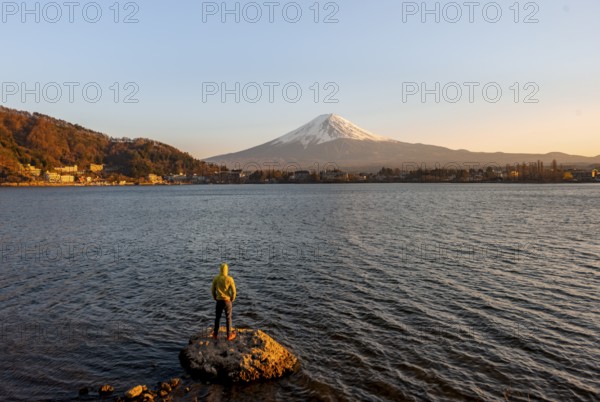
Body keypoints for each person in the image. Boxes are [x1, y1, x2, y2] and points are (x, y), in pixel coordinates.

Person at [211, 262, 237, 341]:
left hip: (219, 301)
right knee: (228, 318)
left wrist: (215, 297)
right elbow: (234, 291)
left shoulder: (216, 278)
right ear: (227, 270)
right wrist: (232, 299)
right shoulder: (230, 279)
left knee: (217, 318)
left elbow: (212, 289)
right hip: (227, 301)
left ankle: (215, 334)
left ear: (220, 270)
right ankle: (229, 335)